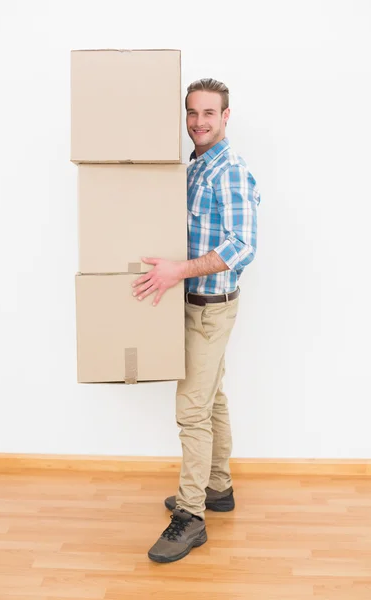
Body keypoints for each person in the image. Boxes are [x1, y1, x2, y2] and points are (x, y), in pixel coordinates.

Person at [132, 78, 261, 563]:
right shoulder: (197, 164)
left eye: (209, 113)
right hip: (195, 302)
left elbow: (243, 246)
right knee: (212, 398)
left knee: (191, 411)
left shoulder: (228, 169)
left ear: (226, 116)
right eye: (192, 113)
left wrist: (178, 272)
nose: (199, 122)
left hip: (210, 307)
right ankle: (218, 487)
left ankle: (191, 516)